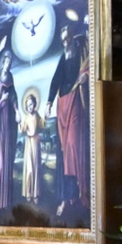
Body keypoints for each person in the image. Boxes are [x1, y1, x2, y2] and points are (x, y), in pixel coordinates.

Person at [46, 24, 90, 216]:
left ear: (73, 37)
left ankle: (81, 188)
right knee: (64, 151)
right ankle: (69, 195)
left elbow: (90, 67)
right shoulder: (64, 58)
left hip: (76, 102)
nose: (66, 42)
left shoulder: (82, 53)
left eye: (68, 38)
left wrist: (86, 76)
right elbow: (55, 80)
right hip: (62, 104)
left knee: (73, 145)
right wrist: (48, 102)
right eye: (63, 39)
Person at [0, 49, 18, 210]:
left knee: (7, 160)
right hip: (0, 125)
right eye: (6, 61)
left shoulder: (11, 78)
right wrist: (2, 100)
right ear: (3, 62)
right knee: (0, 161)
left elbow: (14, 97)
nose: (8, 64)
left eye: (10, 62)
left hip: (9, 125)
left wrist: (17, 110)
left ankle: (6, 201)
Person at [17, 93, 45, 204]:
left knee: (36, 168)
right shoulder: (27, 117)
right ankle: (28, 193)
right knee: (29, 169)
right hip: (29, 144)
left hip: (36, 142)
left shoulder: (37, 115)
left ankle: (35, 194)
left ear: (34, 105)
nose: (30, 107)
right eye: (28, 105)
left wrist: (46, 117)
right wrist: (19, 122)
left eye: (31, 105)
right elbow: (22, 129)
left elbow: (42, 125)